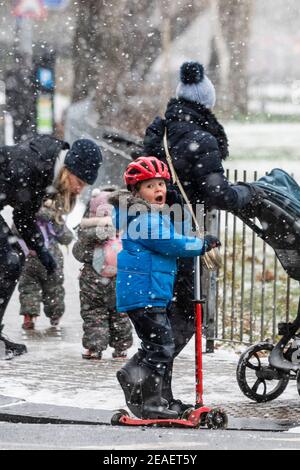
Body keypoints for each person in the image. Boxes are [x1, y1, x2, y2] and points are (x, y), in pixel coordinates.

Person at [142, 61, 264, 413]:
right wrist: (246, 194)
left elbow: (143, 177)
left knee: (163, 311)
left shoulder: (162, 131)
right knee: (183, 313)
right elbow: (216, 193)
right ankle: (145, 377)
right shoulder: (201, 139)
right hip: (184, 235)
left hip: (156, 231)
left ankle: (155, 386)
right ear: (206, 103)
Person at [110, 156, 220, 419]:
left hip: (150, 294)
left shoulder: (149, 216)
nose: (159, 190)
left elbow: (173, 239)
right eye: (150, 186)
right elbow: (173, 244)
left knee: (157, 345)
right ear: (136, 192)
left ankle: (142, 382)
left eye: (161, 184)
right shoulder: (143, 219)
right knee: (161, 347)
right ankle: (151, 402)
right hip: (145, 294)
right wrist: (201, 244)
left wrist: (191, 240)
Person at [0, 135, 102, 359]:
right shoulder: (32, 166)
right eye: (80, 182)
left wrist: (43, 252)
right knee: (9, 261)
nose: (79, 190)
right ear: (70, 169)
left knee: (13, 258)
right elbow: (23, 214)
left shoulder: (46, 171)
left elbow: (24, 217)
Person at [72, 187, 133, 360]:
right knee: (120, 313)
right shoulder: (128, 231)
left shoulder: (86, 234)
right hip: (120, 278)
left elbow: (79, 253)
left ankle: (94, 348)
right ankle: (121, 349)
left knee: (93, 314)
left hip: (93, 280)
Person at [17, 198, 73, 330]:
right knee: (54, 289)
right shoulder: (55, 217)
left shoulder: (26, 213)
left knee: (28, 288)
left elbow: (16, 231)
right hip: (51, 258)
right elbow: (66, 237)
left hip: (30, 256)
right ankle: (55, 315)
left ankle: (28, 316)